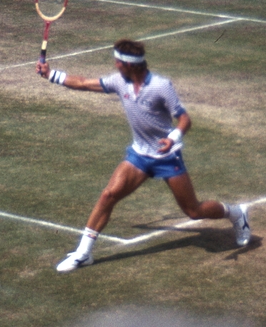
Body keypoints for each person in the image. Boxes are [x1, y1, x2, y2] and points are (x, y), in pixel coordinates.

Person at [36, 39, 252, 273]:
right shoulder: (119, 81)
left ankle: (236, 212)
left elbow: (184, 119)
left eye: (119, 61)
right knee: (108, 195)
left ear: (131, 65)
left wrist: (173, 138)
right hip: (139, 156)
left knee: (193, 211)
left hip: (167, 157)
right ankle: (83, 254)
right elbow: (84, 83)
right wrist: (51, 75)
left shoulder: (161, 86)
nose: (115, 65)